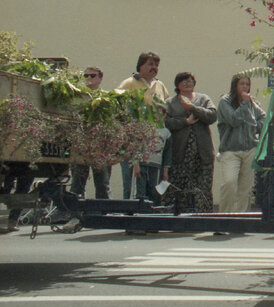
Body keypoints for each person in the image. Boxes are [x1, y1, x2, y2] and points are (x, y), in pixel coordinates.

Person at [116, 52, 170, 199]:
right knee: (133, 185)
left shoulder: (160, 85)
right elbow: (119, 107)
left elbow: (165, 109)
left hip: (154, 146)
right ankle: (130, 211)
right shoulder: (128, 83)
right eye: (150, 64)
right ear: (140, 66)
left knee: (151, 188)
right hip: (133, 142)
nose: (154, 68)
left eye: (156, 65)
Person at [164, 72, 217, 212]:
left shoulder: (203, 99)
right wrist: (185, 122)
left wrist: (193, 108)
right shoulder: (170, 103)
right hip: (180, 153)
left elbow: (212, 116)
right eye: (184, 81)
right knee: (179, 187)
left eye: (190, 81)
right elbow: (166, 122)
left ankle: (203, 216)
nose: (188, 83)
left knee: (203, 187)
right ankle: (180, 216)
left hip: (202, 153)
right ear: (177, 85)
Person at [217, 75, 265, 213]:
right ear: (235, 86)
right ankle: (224, 217)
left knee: (245, 188)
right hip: (230, 150)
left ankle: (241, 217)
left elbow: (263, 117)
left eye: (247, 84)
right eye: (241, 84)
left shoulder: (251, 102)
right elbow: (234, 120)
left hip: (249, 149)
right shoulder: (225, 102)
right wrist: (244, 104)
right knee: (229, 183)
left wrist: (256, 127)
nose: (245, 87)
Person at [69, 66, 111, 199]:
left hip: (100, 146)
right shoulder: (78, 96)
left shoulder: (107, 98)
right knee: (77, 184)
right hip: (81, 145)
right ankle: (76, 209)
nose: (88, 78)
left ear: (100, 78)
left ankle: (102, 209)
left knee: (102, 184)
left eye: (92, 76)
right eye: (86, 76)